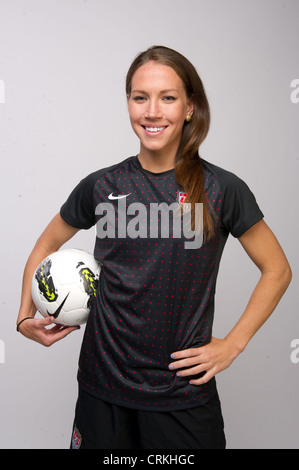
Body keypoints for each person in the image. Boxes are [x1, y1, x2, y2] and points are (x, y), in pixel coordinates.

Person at [17, 46, 292, 449]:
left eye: (168, 97)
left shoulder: (222, 189)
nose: (152, 111)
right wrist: (24, 318)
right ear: (128, 102)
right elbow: (47, 243)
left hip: (181, 397)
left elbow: (278, 269)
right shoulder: (102, 185)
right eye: (140, 97)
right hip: (102, 388)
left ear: (189, 107)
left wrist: (233, 344)